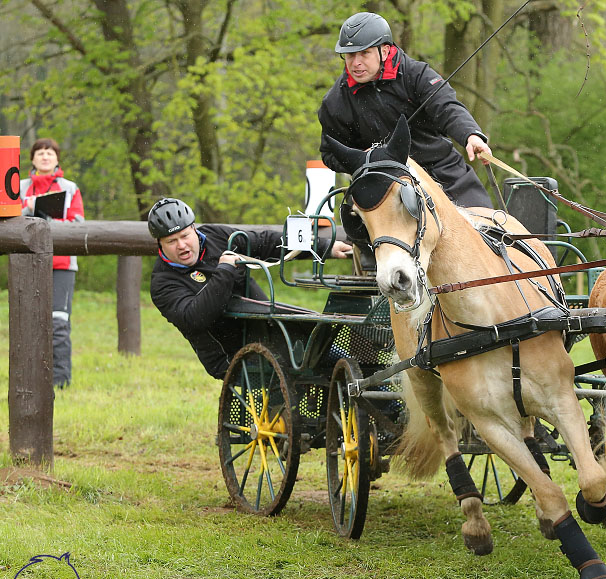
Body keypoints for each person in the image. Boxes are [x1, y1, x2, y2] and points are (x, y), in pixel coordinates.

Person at [148, 197, 352, 379]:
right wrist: (225, 271)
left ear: (194, 228)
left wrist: (324, 247)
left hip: (273, 332)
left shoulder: (215, 236)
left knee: (327, 349)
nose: (182, 245)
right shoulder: (162, 283)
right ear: (160, 244)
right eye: (171, 241)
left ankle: (375, 404)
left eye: (184, 236)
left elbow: (264, 243)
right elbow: (196, 318)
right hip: (232, 355)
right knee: (308, 360)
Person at [318, 11, 493, 209]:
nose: (356, 62)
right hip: (380, 181)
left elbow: (447, 107)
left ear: (384, 51)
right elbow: (330, 152)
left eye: (364, 53)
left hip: (441, 170)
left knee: (486, 226)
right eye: (350, 55)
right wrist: (365, 159)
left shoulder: (417, 74)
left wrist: (470, 135)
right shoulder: (335, 101)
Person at [20, 138, 84, 389]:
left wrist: (45, 223)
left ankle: (60, 382)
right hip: (25, 264)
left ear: (57, 159)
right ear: (33, 159)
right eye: (40, 152)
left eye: (50, 153)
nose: (45, 156)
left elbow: (79, 226)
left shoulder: (70, 188)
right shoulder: (20, 186)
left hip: (61, 264)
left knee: (58, 322)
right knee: (27, 322)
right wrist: (30, 208)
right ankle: (29, 379)